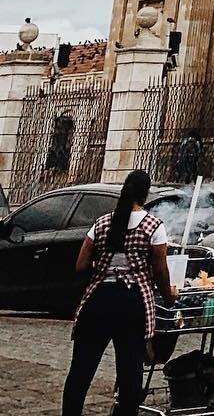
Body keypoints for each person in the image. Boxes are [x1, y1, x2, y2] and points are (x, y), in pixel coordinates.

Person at [63, 168, 175, 416]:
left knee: (80, 371)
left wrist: (105, 267)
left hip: (98, 299)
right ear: (145, 194)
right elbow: (160, 269)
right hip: (132, 302)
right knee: (130, 373)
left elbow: (81, 265)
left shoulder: (102, 223)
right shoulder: (153, 226)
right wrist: (169, 296)